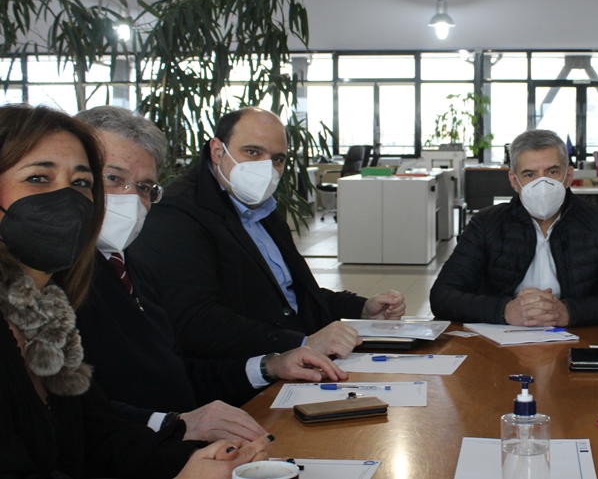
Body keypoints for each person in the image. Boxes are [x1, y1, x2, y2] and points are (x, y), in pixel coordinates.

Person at [0, 103, 271, 478]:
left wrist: (190, 463)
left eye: (81, 184)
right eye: (38, 178)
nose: (68, 200)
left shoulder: (48, 312)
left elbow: (99, 435)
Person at [74, 106, 345, 440]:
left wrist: (269, 365)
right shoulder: (56, 285)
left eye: (144, 187)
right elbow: (78, 416)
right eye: (113, 179)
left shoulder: (129, 268)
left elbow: (176, 373)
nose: (130, 199)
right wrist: (176, 425)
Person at [131, 107, 406, 360]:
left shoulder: (261, 208)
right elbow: (195, 320)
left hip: (297, 359)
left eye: (277, 159)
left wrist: (361, 308)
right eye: (252, 152)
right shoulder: (177, 213)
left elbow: (291, 295)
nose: (266, 168)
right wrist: (301, 343)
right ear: (217, 151)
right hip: (243, 374)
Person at [430, 129, 598, 326]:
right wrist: (505, 311)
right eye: (530, 175)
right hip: (502, 340)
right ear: (514, 181)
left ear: (568, 176)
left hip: (578, 338)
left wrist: (569, 312)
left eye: (552, 172)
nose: (542, 184)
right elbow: (442, 295)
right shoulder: (487, 224)